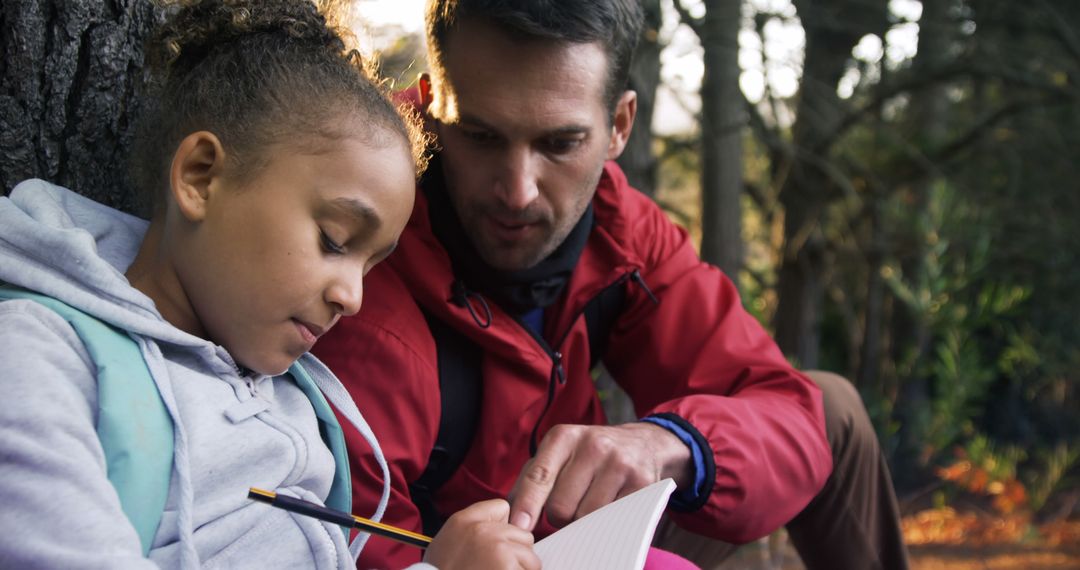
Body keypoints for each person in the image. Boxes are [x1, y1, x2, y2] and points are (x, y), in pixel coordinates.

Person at [314, 0, 911, 569]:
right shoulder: (361, 275)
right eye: (481, 136)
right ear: (427, 110)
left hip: (581, 532)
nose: (518, 190)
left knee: (830, 409)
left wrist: (671, 444)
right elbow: (352, 545)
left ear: (620, 126)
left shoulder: (622, 237)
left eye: (560, 143)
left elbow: (787, 413)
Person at [0, 1, 540, 568]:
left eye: (370, 264)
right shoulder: (39, 359)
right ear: (200, 177)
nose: (351, 298)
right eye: (334, 240)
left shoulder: (292, 402)